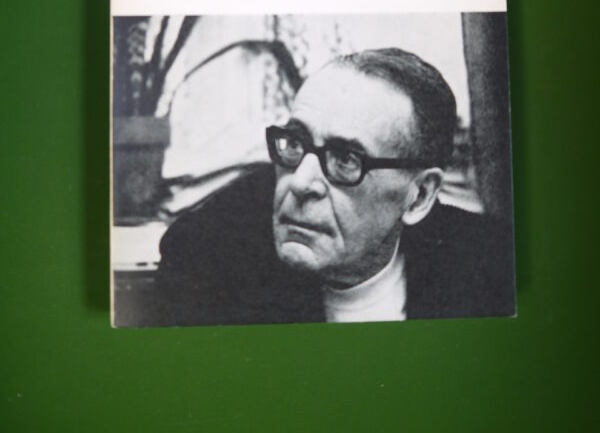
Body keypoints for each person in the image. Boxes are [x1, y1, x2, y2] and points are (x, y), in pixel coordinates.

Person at [154, 48, 515, 325]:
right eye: (295, 144)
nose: (300, 183)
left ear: (418, 196)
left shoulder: (490, 266)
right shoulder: (207, 259)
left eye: (345, 159)